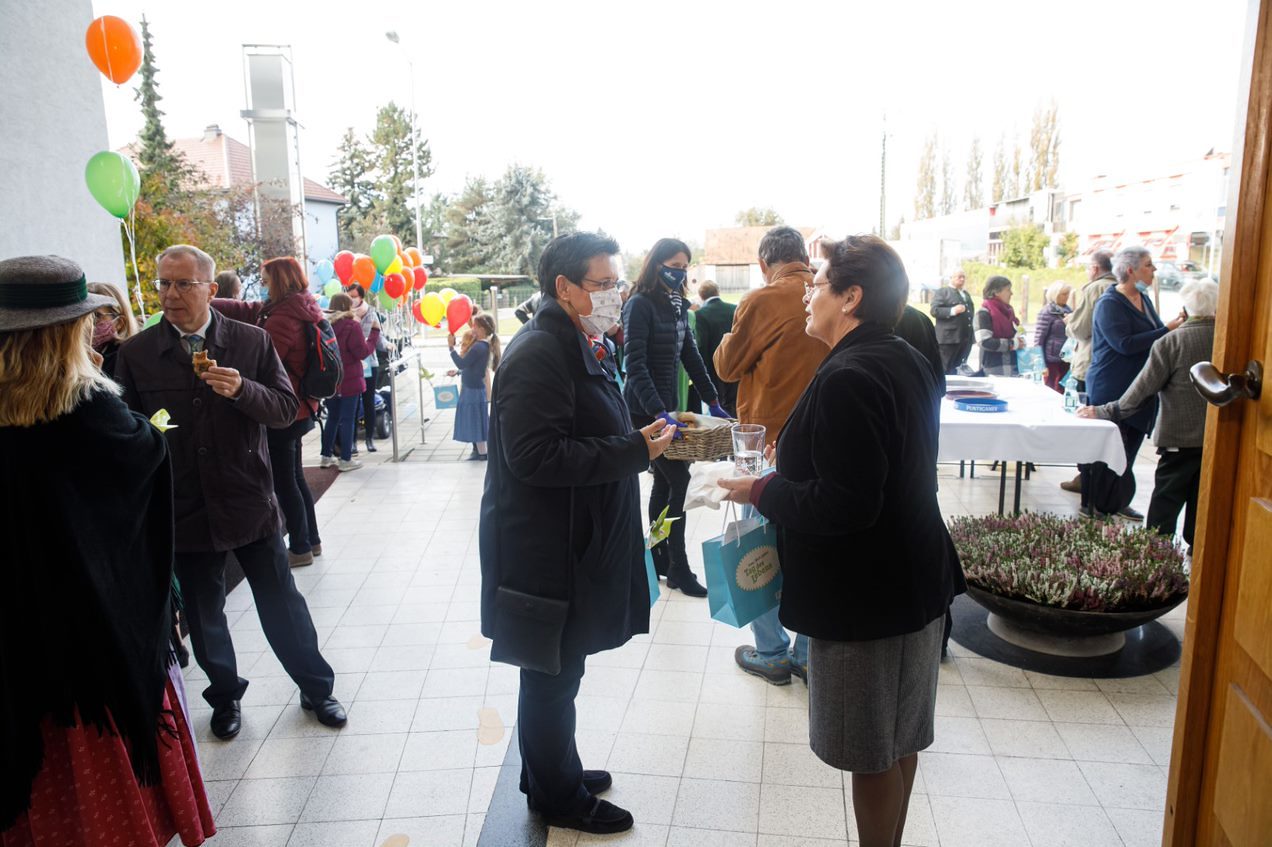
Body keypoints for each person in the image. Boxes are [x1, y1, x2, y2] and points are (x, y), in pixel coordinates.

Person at [718, 236, 963, 847]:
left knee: (871, 750)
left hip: (865, 596)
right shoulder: (900, 355)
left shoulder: (849, 375)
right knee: (900, 736)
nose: (807, 293)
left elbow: (847, 504)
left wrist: (761, 489)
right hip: (916, 575)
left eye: (818, 283)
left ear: (851, 297)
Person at [0, 255, 215, 846]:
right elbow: (144, 457)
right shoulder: (87, 408)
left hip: (16, 641)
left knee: (38, 790)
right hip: (91, 640)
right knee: (100, 797)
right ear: (66, 333)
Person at [480, 232, 677, 835]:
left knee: (561, 671)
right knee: (551, 674)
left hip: (573, 538)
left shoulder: (577, 340)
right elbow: (535, 456)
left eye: (617, 283)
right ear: (563, 287)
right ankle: (558, 796)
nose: (616, 294)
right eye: (604, 284)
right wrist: (634, 451)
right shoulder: (540, 351)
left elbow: (586, 425)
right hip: (546, 548)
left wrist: (638, 436)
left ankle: (549, 770)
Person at [115, 244, 346, 740]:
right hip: (184, 505)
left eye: (183, 284)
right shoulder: (138, 353)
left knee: (281, 602)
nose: (170, 295)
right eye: (163, 284)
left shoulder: (250, 341)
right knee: (204, 615)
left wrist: (243, 390)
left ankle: (316, 687)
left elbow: (284, 409)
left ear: (210, 289)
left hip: (247, 498)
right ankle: (224, 697)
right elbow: (127, 430)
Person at [715, 225, 828, 684]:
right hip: (821, 443)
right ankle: (807, 652)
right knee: (811, 546)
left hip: (765, 445)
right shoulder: (829, 294)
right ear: (804, 257)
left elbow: (727, 365)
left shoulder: (762, 299)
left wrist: (732, 332)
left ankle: (772, 651)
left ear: (764, 264)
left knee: (757, 545)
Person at [622, 238, 729, 598]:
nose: (680, 272)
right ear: (656, 264)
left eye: (685, 267)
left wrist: (713, 400)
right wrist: (657, 411)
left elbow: (691, 356)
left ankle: (657, 556)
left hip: (667, 408)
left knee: (665, 483)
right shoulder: (639, 305)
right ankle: (677, 566)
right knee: (679, 480)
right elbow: (635, 365)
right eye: (674, 265)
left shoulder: (678, 305)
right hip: (645, 410)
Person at [1078, 279, 1217, 550]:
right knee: (1205, 499)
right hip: (1216, 438)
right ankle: (1200, 551)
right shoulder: (1228, 341)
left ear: (1186, 308)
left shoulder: (1173, 341)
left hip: (1179, 437)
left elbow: (1141, 391)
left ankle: (1156, 554)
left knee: (1166, 500)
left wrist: (1105, 410)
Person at [213, 256, 325, 567]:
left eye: (265, 281)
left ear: (278, 281)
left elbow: (261, 360)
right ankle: (311, 540)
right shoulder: (298, 306)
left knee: (284, 483)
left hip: (284, 411)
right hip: (301, 407)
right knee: (295, 478)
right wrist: (207, 297)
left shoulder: (282, 319)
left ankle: (300, 546)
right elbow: (248, 309)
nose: (262, 287)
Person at [1082, 246, 1185, 520]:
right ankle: (1098, 504)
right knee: (1109, 450)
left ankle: (1117, 501)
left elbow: (1157, 334)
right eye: (1148, 265)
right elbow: (1124, 344)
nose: (1154, 270)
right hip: (1112, 386)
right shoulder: (1109, 303)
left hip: (1140, 388)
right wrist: (1167, 329)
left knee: (1128, 451)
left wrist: (1173, 329)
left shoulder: (1144, 299)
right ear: (1130, 270)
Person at [1059, 250, 1115, 493]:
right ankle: (1102, 483)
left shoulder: (1095, 288)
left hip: (1091, 362)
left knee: (1087, 422)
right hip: (1113, 368)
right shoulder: (1127, 289)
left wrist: (1069, 322)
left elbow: (1081, 328)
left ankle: (1088, 479)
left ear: (1095, 268)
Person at [319, 292, 380, 471]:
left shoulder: (323, 325)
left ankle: (326, 456)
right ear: (348, 306)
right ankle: (346, 459)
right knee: (348, 419)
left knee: (332, 418)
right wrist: (374, 333)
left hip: (331, 379)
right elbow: (362, 352)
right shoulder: (352, 326)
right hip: (350, 378)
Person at [448, 312, 501, 460]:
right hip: (475, 388)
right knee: (477, 419)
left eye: (475, 327)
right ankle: (481, 452)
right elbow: (472, 367)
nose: (473, 329)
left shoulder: (479, 347)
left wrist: (451, 348)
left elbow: (461, 363)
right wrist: (459, 372)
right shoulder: (482, 346)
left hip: (473, 390)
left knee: (476, 420)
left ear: (482, 329)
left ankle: (482, 453)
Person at [347, 283, 387, 453]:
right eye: (349, 296)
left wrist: (387, 345)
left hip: (370, 362)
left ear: (361, 297)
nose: (352, 299)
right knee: (354, 403)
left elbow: (378, 335)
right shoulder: (346, 313)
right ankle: (353, 441)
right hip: (353, 362)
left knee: (369, 401)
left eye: (354, 296)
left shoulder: (370, 312)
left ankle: (369, 439)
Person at [691, 281, 737, 415]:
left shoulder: (700, 314)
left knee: (720, 407)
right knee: (735, 404)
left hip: (714, 367)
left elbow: (702, 345)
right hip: (736, 364)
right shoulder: (735, 308)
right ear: (717, 292)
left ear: (701, 296)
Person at [86, 281, 138, 379]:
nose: (87, 324)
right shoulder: (74, 354)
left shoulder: (126, 360)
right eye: (83, 317)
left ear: (119, 323)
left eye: (96, 316)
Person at [974, 275, 1023, 376]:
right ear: (996, 292)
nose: (1011, 293)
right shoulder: (983, 313)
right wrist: (1012, 344)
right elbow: (984, 342)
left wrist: (1020, 339)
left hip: (1013, 367)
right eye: (1008, 290)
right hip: (993, 369)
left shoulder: (1008, 312)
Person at [929, 269, 975, 373]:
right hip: (948, 339)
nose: (962, 279)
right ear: (951, 278)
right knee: (945, 368)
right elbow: (934, 311)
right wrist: (952, 310)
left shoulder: (965, 294)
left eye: (963, 277)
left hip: (965, 338)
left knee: (958, 369)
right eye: (959, 277)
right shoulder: (943, 292)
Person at [1034, 281, 1073, 392]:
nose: (1067, 297)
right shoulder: (1046, 312)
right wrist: (1041, 363)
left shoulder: (1070, 311)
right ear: (1055, 294)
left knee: (1064, 389)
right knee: (1051, 388)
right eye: (1064, 294)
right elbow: (1039, 339)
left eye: (1068, 294)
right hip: (1051, 359)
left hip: (1067, 357)